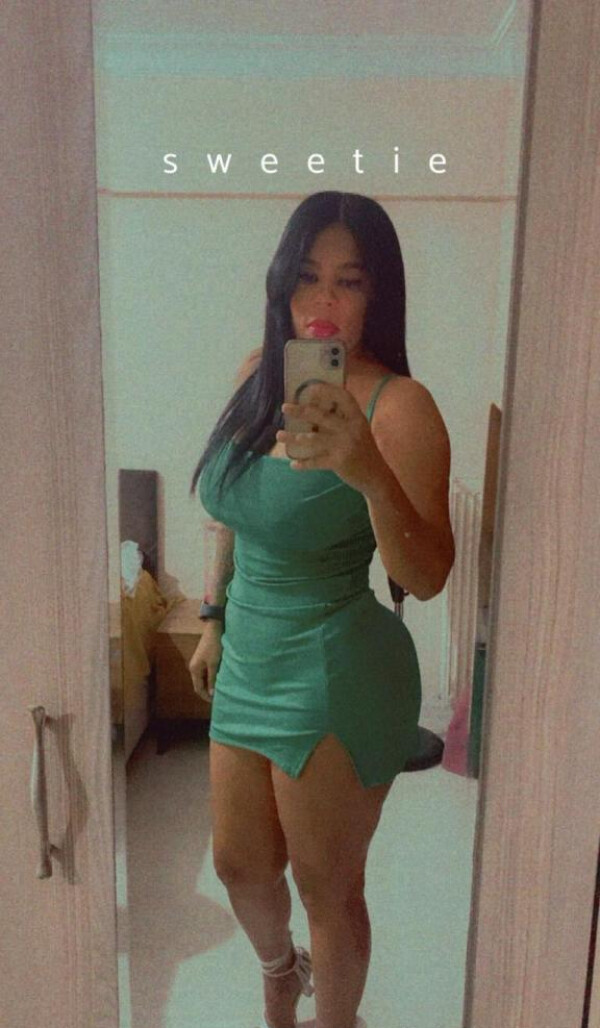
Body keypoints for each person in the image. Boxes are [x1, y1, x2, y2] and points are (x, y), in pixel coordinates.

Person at [189, 191, 455, 1028]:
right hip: (249, 653)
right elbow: (232, 514)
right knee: (237, 865)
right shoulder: (255, 376)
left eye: (350, 280)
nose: (324, 301)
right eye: (307, 277)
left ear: (380, 293)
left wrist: (368, 472)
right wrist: (212, 616)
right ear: (282, 282)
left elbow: (428, 573)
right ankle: (280, 971)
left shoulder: (399, 407)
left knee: (326, 888)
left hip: (335, 665)